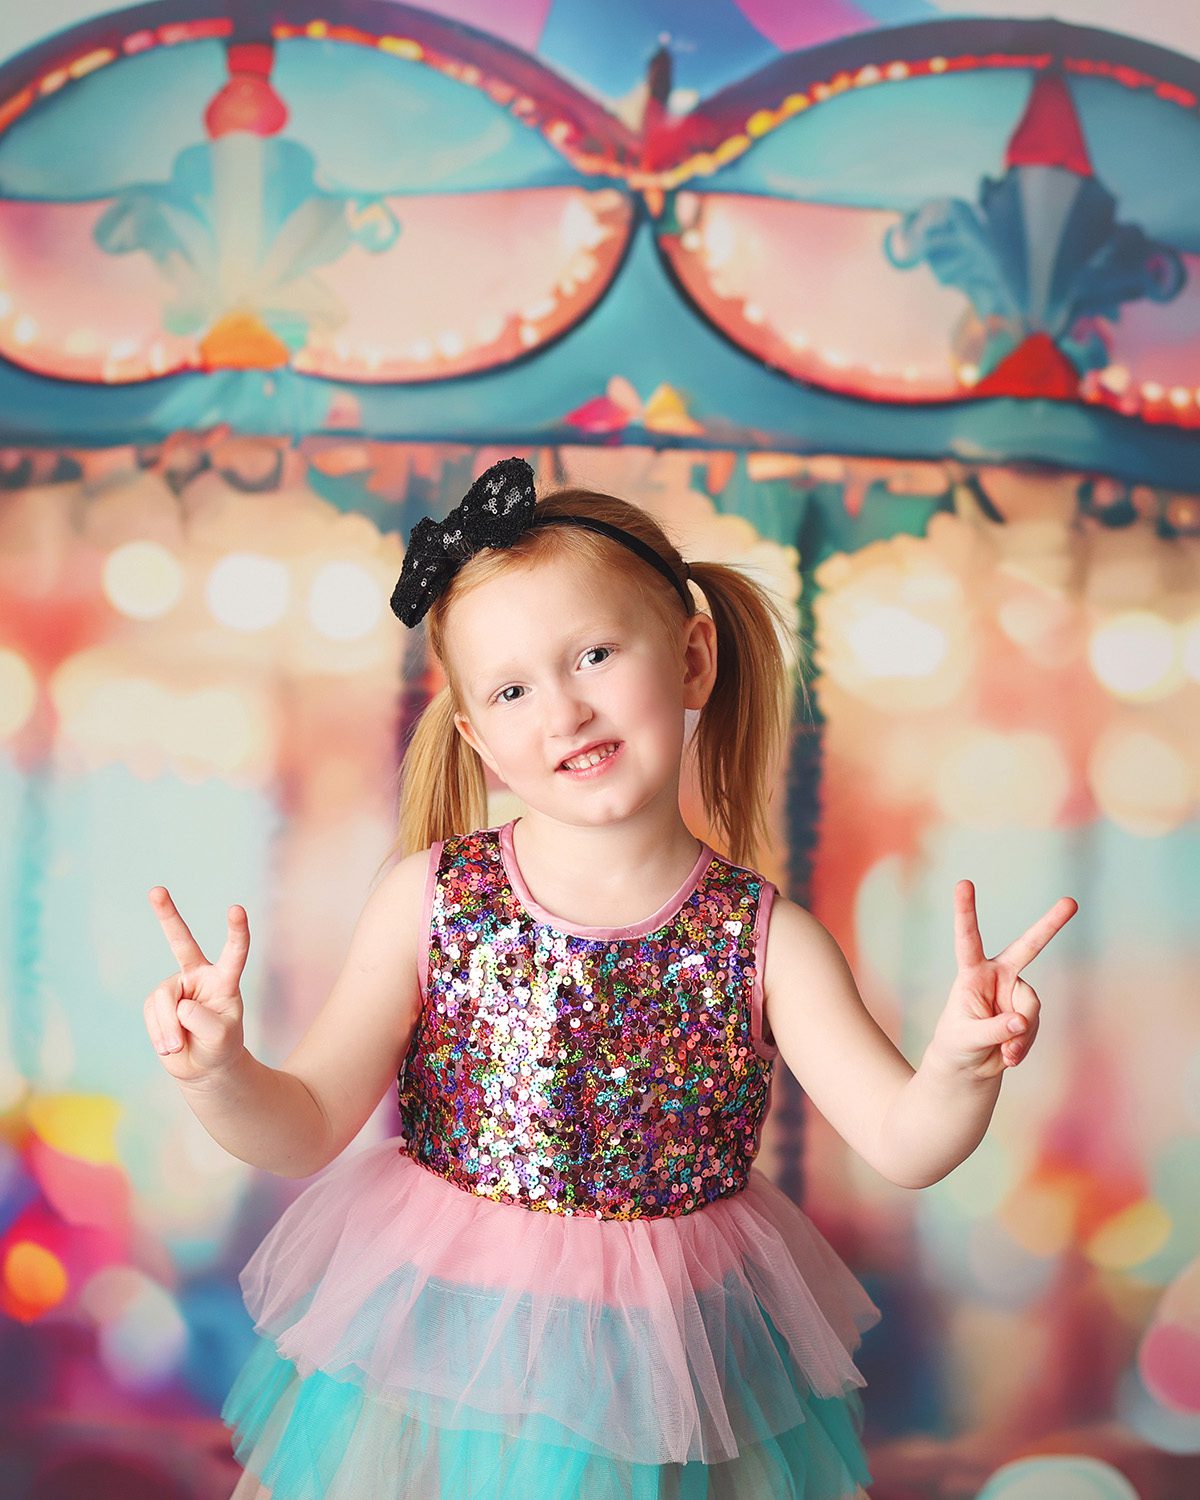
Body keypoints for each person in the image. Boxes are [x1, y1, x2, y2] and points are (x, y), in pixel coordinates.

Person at [143, 457, 1078, 1499]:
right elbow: (308, 1121)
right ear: (477, 739)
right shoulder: (431, 899)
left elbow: (907, 1143)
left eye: (593, 654)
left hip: (667, 1378)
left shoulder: (764, 938)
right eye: (511, 689)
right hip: (451, 1370)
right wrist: (219, 1071)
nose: (564, 710)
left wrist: (959, 1061)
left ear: (691, 658)